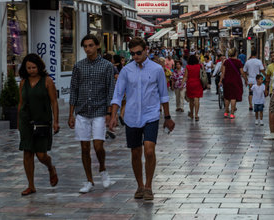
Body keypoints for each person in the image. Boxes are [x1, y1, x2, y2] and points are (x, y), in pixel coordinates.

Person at [109, 37, 174, 200]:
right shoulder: (126, 70)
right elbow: (117, 94)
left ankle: (148, 186)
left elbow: (163, 95)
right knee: (136, 152)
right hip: (131, 116)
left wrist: (167, 117)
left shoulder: (157, 69)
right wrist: (113, 115)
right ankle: (139, 185)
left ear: (146, 50)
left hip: (151, 114)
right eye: (132, 53)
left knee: (149, 150)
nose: (136, 56)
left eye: (138, 52)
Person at [69, 34, 115, 193]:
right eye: (85, 46)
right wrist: (71, 114)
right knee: (84, 147)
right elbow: (74, 89)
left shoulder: (107, 66)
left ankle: (102, 168)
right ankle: (89, 180)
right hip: (82, 111)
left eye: (90, 45)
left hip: (100, 110)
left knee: (98, 146)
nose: (88, 49)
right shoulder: (78, 66)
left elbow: (111, 90)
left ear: (97, 46)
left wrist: (110, 112)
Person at [17, 54, 59, 196]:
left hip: (42, 122)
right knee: (27, 153)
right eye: (28, 68)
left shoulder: (47, 81)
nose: (31, 70)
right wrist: (18, 121)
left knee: (41, 155)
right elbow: (21, 103)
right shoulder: (23, 82)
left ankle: (50, 167)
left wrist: (56, 121)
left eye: (34, 67)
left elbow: (54, 102)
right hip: (26, 122)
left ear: (39, 67)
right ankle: (31, 185)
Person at [219, 48, 248, 119]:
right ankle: (232, 113)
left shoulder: (226, 62)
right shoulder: (238, 62)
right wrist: (246, 80)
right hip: (236, 81)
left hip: (227, 81)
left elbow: (223, 72)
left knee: (227, 97)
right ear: (235, 54)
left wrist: (220, 81)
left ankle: (226, 112)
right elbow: (242, 72)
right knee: (233, 97)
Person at [183, 54, 203, 121]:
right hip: (197, 83)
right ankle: (196, 115)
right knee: (197, 98)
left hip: (190, 83)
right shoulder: (199, 66)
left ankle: (191, 113)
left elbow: (185, 76)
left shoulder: (187, 67)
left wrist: (182, 83)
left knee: (191, 100)